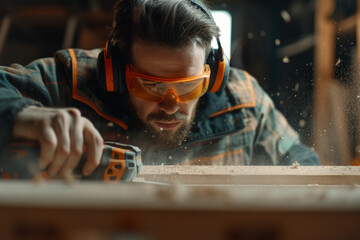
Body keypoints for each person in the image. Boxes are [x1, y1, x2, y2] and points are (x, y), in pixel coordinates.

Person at [0, 0, 319, 178]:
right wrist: (22, 115)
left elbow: (309, 172)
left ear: (214, 73)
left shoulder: (245, 103)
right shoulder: (67, 81)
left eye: (189, 86)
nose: (170, 105)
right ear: (115, 72)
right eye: (151, 85)